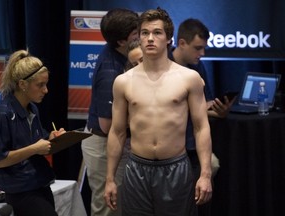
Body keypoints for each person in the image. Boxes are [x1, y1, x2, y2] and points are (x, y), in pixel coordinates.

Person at [104, 8, 212, 216]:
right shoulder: (123, 82)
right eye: (145, 33)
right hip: (137, 168)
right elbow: (117, 132)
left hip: (176, 168)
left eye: (157, 33)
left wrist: (205, 174)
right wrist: (109, 179)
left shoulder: (188, 78)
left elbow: (201, 127)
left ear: (169, 38)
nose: (150, 39)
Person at [169, 18, 235, 215]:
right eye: (198, 48)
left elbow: (202, 107)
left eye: (204, 48)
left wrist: (219, 111)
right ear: (181, 43)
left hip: (192, 142)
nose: (202, 53)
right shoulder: (162, 68)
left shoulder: (198, 67)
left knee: (208, 175)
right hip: (171, 144)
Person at [81, 8, 139, 216]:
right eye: (136, 34)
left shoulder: (123, 56)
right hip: (103, 146)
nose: (142, 37)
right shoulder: (110, 71)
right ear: (122, 41)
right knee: (109, 208)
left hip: (115, 144)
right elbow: (107, 125)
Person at [0, 50, 65, 216]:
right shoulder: (3, 114)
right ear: (22, 84)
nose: (46, 90)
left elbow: (37, 140)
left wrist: (52, 138)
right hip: (19, 189)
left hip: (39, 182)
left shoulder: (32, 108)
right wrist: (35, 149)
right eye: (40, 85)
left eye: (46, 84)